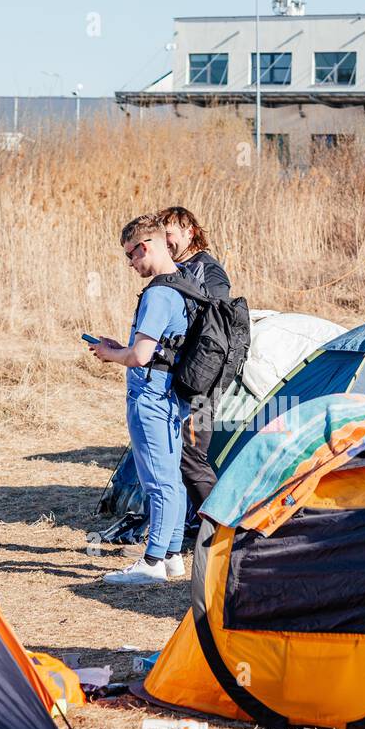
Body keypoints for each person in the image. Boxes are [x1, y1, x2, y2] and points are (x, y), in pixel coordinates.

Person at [89, 214, 191, 585]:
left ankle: (151, 563)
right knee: (172, 480)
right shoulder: (183, 283)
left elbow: (141, 356)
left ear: (144, 247)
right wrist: (123, 347)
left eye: (131, 256)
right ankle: (173, 555)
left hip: (150, 396)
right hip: (171, 395)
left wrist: (110, 354)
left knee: (157, 482)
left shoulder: (159, 294)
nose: (131, 265)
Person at [158, 206, 233, 530]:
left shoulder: (209, 271)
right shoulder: (176, 268)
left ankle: (222, 528)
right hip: (181, 376)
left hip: (202, 381)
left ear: (189, 231)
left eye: (170, 235)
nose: (166, 242)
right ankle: (194, 521)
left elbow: (216, 326)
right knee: (177, 453)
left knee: (191, 456)